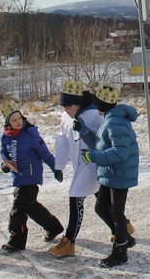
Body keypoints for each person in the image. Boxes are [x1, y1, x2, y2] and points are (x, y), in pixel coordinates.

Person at [75, 82, 139, 268]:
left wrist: (92, 157)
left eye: (96, 103)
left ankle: (120, 252)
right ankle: (125, 238)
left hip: (119, 174)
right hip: (109, 174)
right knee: (101, 208)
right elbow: (99, 144)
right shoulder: (110, 120)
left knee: (117, 213)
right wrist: (83, 130)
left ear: (101, 104)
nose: (95, 106)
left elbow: (120, 153)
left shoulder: (115, 122)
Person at [48, 81, 105, 257]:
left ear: (79, 103)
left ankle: (69, 241)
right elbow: (63, 141)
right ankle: (122, 227)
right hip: (79, 166)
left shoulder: (93, 116)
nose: (66, 109)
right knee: (101, 200)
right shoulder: (66, 116)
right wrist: (59, 166)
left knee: (75, 198)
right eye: (64, 106)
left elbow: (103, 140)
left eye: (69, 106)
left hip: (92, 164)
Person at [0, 101, 64, 252]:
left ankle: (17, 240)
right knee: (31, 207)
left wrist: (56, 168)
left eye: (19, 118)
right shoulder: (5, 136)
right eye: (14, 120)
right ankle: (53, 227)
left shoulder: (30, 134)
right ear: (7, 122)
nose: (18, 122)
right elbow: (3, 155)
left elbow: (45, 153)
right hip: (18, 177)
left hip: (31, 176)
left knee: (18, 209)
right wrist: (4, 165)